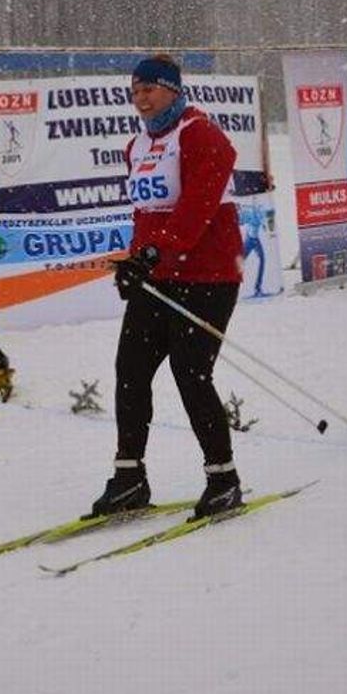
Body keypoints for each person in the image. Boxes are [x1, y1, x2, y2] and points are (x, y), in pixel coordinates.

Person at [90, 54, 245, 520]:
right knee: (130, 370)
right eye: (135, 92)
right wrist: (135, 261)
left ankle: (223, 479)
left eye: (150, 90)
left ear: (174, 91)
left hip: (209, 276)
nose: (141, 99)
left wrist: (155, 254)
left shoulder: (200, 134)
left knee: (190, 372)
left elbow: (196, 208)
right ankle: (128, 477)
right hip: (160, 279)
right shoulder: (137, 144)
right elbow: (146, 215)